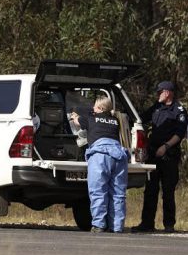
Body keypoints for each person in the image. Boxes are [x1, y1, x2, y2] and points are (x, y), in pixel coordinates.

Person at [132, 81, 187, 233]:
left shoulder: (179, 110)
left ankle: (169, 225)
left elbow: (180, 133)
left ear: (168, 92)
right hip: (153, 155)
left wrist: (166, 146)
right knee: (150, 190)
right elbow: (140, 118)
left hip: (169, 155)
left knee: (168, 191)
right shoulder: (156, 107)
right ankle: (147, 223)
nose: (157, 95)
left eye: (159, 92)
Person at [71, 96, 129, 233]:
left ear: (101, 108)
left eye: (95, 107)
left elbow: (77, 122)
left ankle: (99, 225)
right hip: (119, 156)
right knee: (118, 193)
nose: (93, 108)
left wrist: (74, 115)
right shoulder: (116, 120)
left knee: (98, 191)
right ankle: (117, 226)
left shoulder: (90, 119)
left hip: (100, 155)